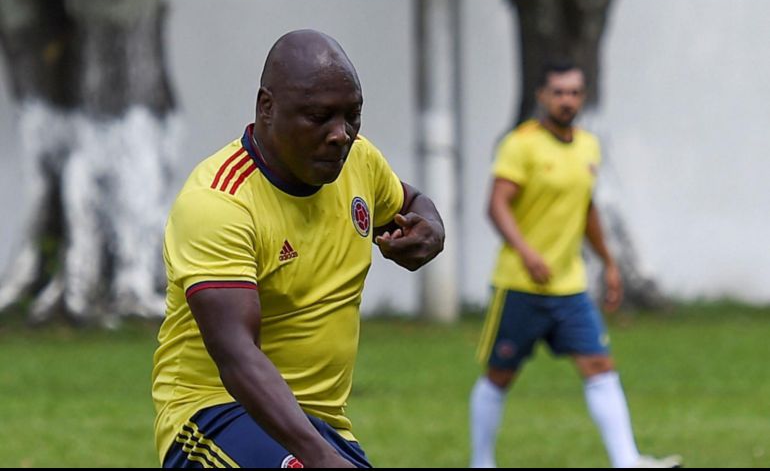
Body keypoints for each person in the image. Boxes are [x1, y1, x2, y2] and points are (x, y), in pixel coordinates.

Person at [152, 29, 445, 468]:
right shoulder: (218, 202)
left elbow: (410, 202)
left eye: (352, 116)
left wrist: (432, 229)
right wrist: (320, 460)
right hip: (216, 412)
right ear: (266, 107)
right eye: (318, 116)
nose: (340, 135)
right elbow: (236, 356)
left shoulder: (360, 163)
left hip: (321, 424)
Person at [469, 61, 680, 469]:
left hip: (569, 285)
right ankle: (481, 462)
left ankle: (627, 461)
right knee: (500, 374)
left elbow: (585, 209)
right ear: (542, 96)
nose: (567, 100)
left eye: (574, 93)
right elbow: (496, 206)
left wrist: (609, 261)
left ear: (583, 97)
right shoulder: (521, 144)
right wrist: (528, 252)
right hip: (520, 284)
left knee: (600, 365)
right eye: (559, 92)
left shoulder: (588, 145)